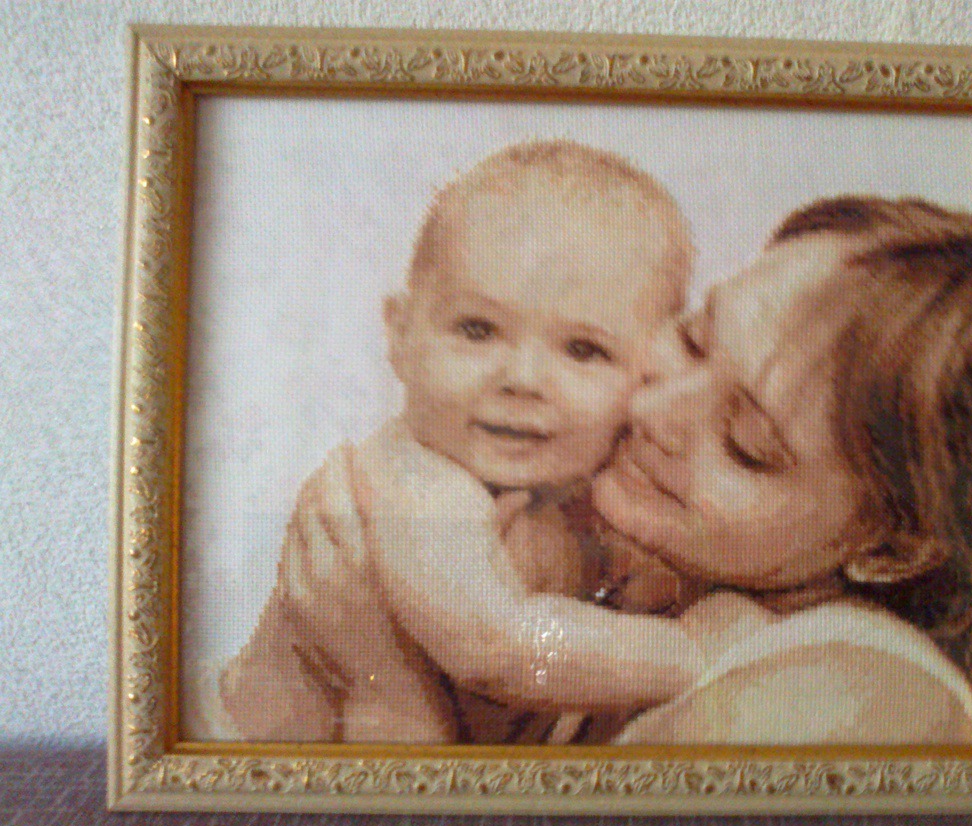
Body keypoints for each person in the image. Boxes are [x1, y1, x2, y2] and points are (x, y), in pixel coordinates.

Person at [219, 141, 703, 744]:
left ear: (653, 375)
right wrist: (695, 654)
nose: (522, 379)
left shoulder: (585, 493)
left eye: (583, 350)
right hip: (254, 758)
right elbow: (496, 649)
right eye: (477, 330)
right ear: (401, 335)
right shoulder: (415, 485)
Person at [591, 196, 972, 744]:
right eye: (694, 340)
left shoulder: (860, 693)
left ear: (890, 549)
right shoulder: (660, 580)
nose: (654, 412)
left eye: (745, 446)